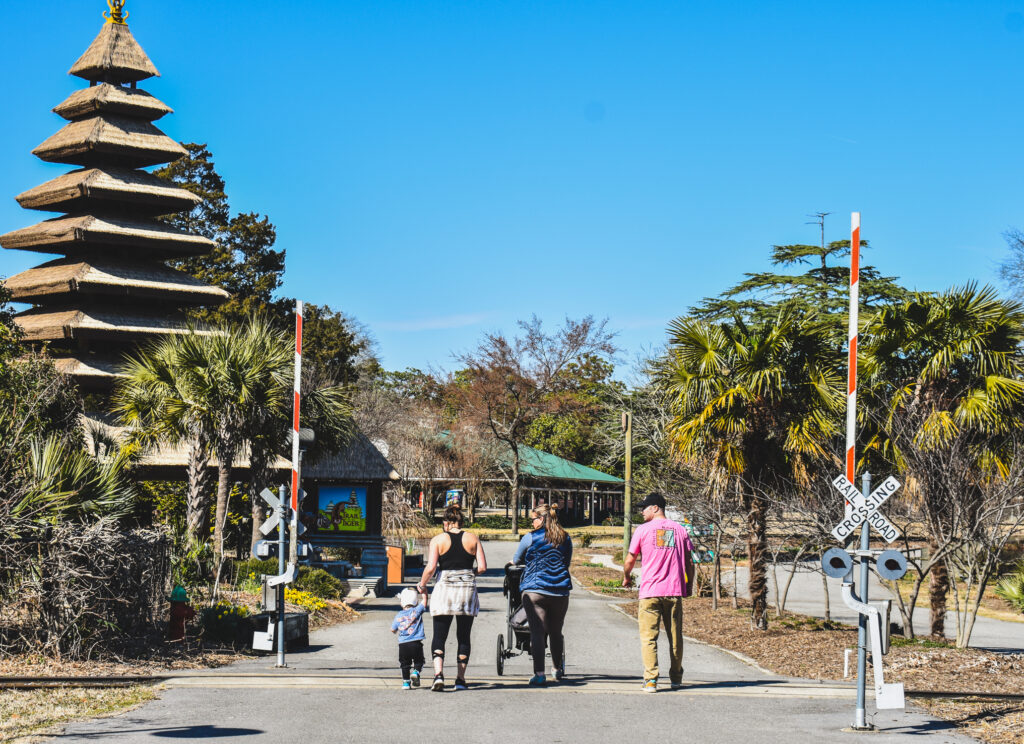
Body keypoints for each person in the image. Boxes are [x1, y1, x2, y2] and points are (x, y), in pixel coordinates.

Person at [622, 492, 695, 693]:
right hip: (673, 591)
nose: (641, 511)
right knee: (675, 636)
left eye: (644, 508)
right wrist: (688, 585)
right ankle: (676, 677)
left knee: (648, 637)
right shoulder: (680, 530)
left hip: (650, 592)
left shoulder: (642, 530)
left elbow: (630, 559)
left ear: (656, 508)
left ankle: (651, 680)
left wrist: (627, 577)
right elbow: (689, 562)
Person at [416, 504, 487, 691]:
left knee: (440, 634)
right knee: (464, 636)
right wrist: (467, 573)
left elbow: (431, 568)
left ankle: (438, 676)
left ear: (446, 523)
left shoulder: (438, 540)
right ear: (461, 521)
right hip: (467, 590)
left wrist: (422, 585)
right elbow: (482, 567)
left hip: (444, 589)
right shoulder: (473, 538)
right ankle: (460, 679)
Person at [512, 504, 573, 686]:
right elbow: (566, 561)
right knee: (555, 631)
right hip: (560, 590)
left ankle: (539, 673)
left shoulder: (530, 537)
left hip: (535, 590)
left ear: (541, 519)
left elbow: (516, 559)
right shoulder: (565, 538)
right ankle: (556, 669)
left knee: (537, 633)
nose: (532, 522)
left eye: (533, 519)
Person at [390, 587, 427, 690]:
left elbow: (392, 629)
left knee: (405, 664)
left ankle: (406, 683)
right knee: (419, 661)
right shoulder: (417, 610)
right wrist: (424, 592)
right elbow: (424, 601)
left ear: (402, 603)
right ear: (416, 602)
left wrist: (397, 630)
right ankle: (416, 672)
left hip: (403, 645)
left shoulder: (398, 615)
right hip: (416, 643)